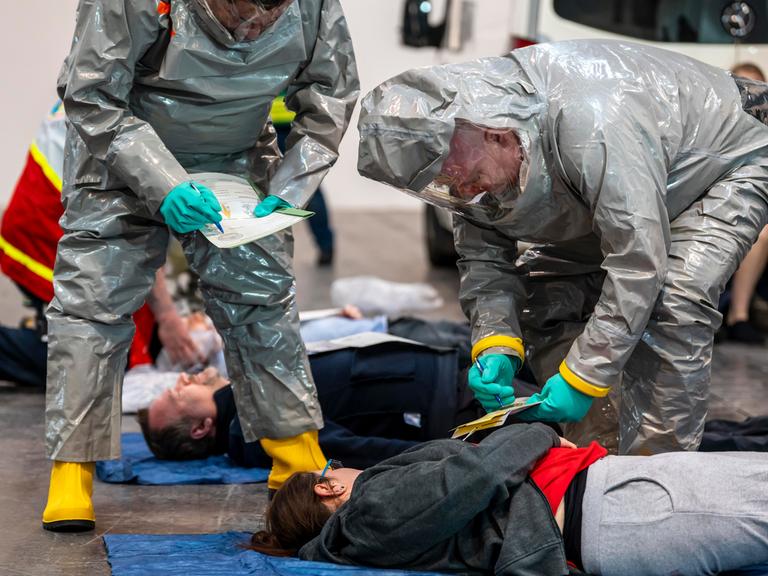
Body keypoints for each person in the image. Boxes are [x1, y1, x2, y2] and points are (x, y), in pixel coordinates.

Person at [356, 39, 768, 455]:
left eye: (469, 176)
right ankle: (599, 461)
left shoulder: (591, 124)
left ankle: (658, 475)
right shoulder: (473, 156)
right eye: (444, 185)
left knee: (674, 301)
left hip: (730, 162)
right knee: (546, 293)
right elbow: (484, 259)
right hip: (639, 187)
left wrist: (583, 375)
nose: (462, 191)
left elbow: (638, 261)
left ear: (496, 133)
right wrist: (496, 342)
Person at [43, 0, 359, 532]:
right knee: (91, 307)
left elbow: (331, 95)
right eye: (243, 11)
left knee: (262, 301)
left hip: (236, 153)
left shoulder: (314, 5)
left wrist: (290, 187)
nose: (254, 27)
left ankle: (295, 451)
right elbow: (92, 94)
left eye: (270, 15)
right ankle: (71, 470)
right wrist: (162, 183)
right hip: (123, 154)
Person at [251, 424, 768, 576]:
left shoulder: (366, 531)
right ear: (327, 487)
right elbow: (479, 475)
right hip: (622, 509)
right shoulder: (371, 511)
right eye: (331, 468)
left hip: (617, 509)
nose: (341, 467)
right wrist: (539, 432)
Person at [0, 101, 201, 386]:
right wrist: (169, 316)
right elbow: (136, 237)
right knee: (108, 356)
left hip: (60, 208)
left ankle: (55, 334)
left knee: (134, 333)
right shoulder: (144, 117)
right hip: (51, 226)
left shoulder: (122, 87)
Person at [137, 339, 490, 467]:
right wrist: (452, 454)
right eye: (177, 394)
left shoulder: (249, 399)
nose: (183, 380)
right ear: (201, 428)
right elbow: (352, 449)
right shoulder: (255, 426)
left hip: (451, 378)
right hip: (458, 404)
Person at [722, 62, 768, 344]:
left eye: (756, 89)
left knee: (761, 233)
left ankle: (738, 315)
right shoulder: (714, 128)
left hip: (754, 212)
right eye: (742, 87)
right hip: (716, 208)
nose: (749, 95)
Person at [271, 95, 335, 265]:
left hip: (273, 119)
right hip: (295, 117)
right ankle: (326, 246)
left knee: (306, 187)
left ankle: (325, 246)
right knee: (308, 186)